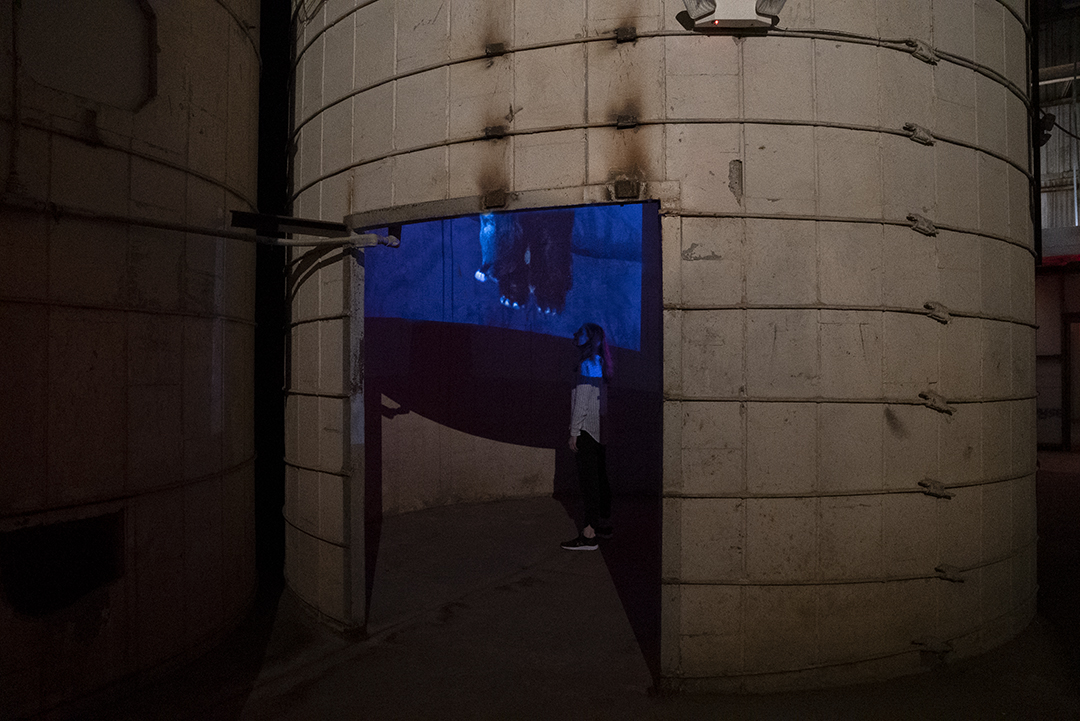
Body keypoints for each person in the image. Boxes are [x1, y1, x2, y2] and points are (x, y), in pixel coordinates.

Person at [561, 323, 614, 551]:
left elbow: (582, 402)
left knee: (590, 483)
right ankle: (602, 524)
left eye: (581, 332)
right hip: (598, 430)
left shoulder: (588, 364)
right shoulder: (599, 362)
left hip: (588, 430)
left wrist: (574, 432)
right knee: (599, 479)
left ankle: (589, 533)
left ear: (590, 338)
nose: (576, 334)